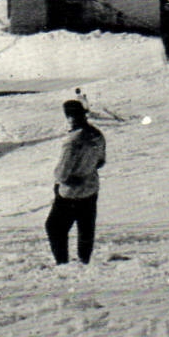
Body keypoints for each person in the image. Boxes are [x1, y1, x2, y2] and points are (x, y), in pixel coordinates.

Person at [46, 99, 106, 266]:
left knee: (54, 227)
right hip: (91, 186)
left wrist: (62, 180)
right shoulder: (97, 134)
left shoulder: (72, 141)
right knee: (86, 227)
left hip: (71, 191)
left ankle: (62, 262)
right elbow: (101, 161)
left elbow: (62, 172)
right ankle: (84, 260)